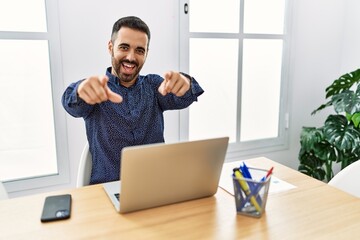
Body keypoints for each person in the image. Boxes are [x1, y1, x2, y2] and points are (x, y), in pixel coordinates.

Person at [62, 16, 204, 184]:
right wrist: (79, 91)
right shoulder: (97, 89)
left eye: (139, 50)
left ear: (146, 54)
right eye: (124, 47)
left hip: (156, 185)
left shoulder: (153, 85)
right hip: (107, 190)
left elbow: (183, 97)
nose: (131, 57)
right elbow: (71, 104)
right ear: (110, 47)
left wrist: (185, 83)